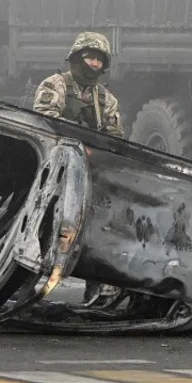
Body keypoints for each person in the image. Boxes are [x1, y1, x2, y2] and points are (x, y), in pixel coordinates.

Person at [34, 31, 123, 304]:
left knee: (92, 231)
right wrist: (78, 137)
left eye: (98, 60)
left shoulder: (106, 99)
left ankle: (94, 289)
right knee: (43, 228)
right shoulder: (55, 85)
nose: (93, 64)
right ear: (76, 57)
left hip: (88, 172)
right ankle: (26, 283)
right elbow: (44, 120)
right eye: (89, 57)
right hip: (55, 171)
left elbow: (115, 136)